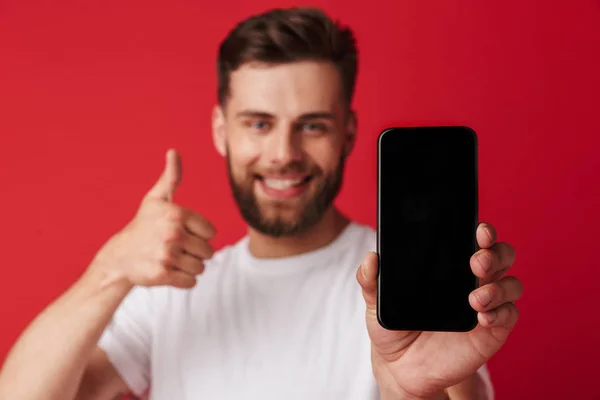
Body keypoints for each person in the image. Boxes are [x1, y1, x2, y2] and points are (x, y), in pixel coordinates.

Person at [0, 6, 523, 400]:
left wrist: (419, 391)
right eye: (259, 124)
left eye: (312, 125)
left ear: (348, 133)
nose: (283, 155)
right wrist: (110, 269)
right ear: (220, 130)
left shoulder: (402, 285)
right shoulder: (171, 294)